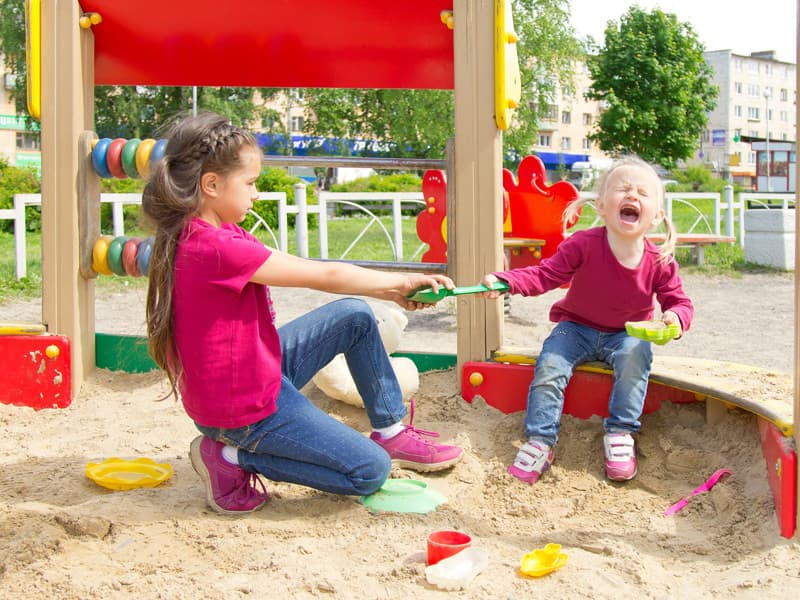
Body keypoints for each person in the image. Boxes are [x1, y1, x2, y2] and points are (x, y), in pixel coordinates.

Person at [141, 112, 463, 515]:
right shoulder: (213, 248)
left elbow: (310, 268)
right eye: (251, 183)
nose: (256, 193)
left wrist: (392, 289)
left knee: (355, 316)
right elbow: (321, 274)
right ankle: (229, 458)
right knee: (369, 472)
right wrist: (398, 284)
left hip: (254, 374)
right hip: (242, 412)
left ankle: (390, 429)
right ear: (211, 184)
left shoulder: (219, 232)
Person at [479, 156, 693, 484]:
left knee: (638, 354)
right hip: (576, 328)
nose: (632, 195)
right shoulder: (583, 244)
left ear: (657, 216)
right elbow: (546, 274)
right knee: (550, 365)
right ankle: (540, 441)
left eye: (642, 193)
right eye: (622, 189)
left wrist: (674, 318)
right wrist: (508, 281)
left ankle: (621, 433)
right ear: (602, 206)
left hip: (626, 334)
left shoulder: (659, 260)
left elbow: (678, 302)